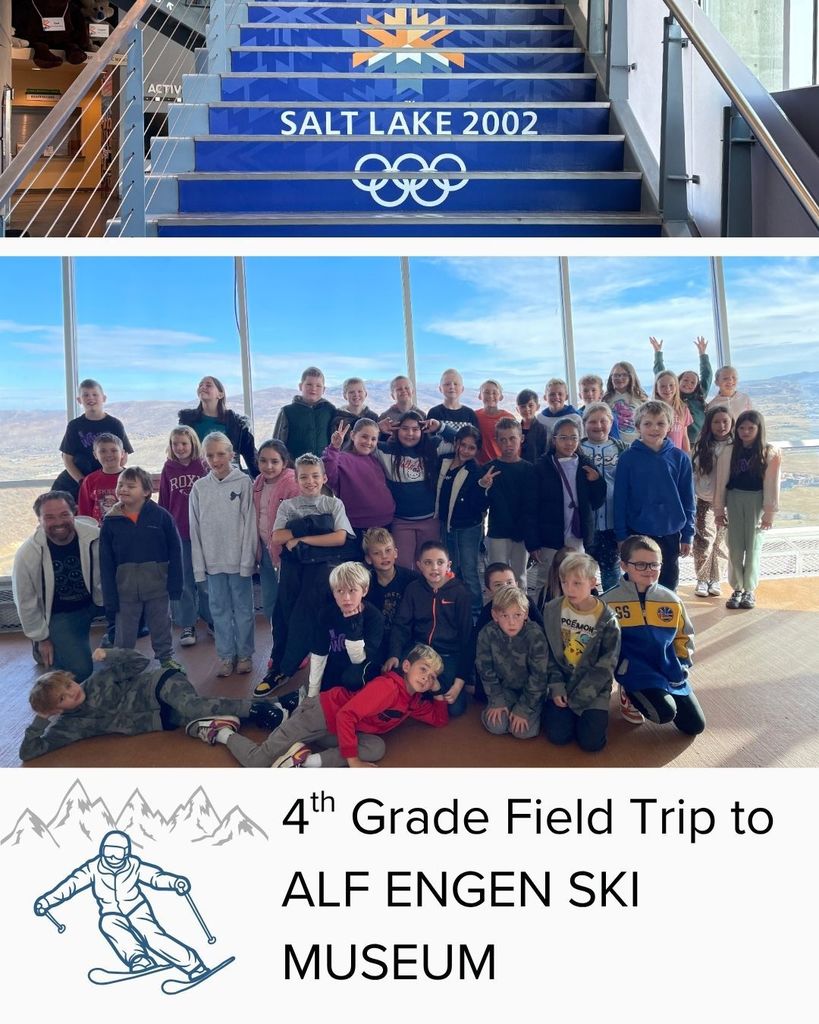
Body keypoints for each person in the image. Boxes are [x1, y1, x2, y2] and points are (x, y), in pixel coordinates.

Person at [190, 644, 449, 768]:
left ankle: (305, 761)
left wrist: (437, 691)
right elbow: (347, 714)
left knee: (377, 746)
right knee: (258, 762)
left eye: (433, 676)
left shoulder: (413, 700)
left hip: (339, 728)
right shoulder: (388, 688)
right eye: (423, 669)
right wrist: (354, 763)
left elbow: (439, 720)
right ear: (406, 667)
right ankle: (222, 731)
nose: (427, 677)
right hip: (322, 715)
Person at [19, 647, 280, 760]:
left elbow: (139, 663)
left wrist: (111, 655)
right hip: (161, 719)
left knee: (192, 707)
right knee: (199, 717)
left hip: (159, 685)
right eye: (62, 698)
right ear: (55, 710)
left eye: (68, 685)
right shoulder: (68, 727)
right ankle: (279, 702)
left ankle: (258, 709)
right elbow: (30, 751)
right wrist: (41, 719)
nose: (72, 692)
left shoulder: (97, 681)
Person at [33, 828, 210, 980]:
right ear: (102, 850)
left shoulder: (134, 866)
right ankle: (140, 959)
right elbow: (71, 885)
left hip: (136, 909)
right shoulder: (93, 868)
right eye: (108, 851)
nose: (112, 857)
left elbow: (155, 877)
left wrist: (174, 882)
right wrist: (46, 901)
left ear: (126, 852)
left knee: (152, 936)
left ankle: (194, 966)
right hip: (111, 913)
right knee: (108, 924)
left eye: (118, 852)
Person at [256, 452, 355, 695]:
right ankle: (277, 664)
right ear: (296, 480)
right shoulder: (288, 505)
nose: (309, 481)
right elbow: (277, 536)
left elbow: (340, 537)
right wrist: (314, 530)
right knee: (282, 614)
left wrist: (301, 536)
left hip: (321, 567)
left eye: (314, 476)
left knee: (303, 614)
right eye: (303, 477)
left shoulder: (333, 504)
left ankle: (286, 668)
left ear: (323, 478)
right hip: (293, 567)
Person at [603, 535, 706, 736]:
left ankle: (663, 691)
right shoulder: (608, 602)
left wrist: (682, 663)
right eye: (640, 565)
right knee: (664, 714)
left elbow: (684, 636)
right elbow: (601, 644)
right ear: (624, 566)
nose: (649, 570)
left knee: (695, 726)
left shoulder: (671, 600)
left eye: (654, 564)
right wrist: (617, 669)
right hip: (635, 671)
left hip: (669, 669)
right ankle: (628, 692)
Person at [12, 490, 103, 682]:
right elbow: (25, 601)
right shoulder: (28, 554)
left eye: (64, 515)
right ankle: (45, 644)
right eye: (49, 517)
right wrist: (41, 638)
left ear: (74, 513)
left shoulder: (96, 538)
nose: (58, 522)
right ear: (39, 520)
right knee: (81, 671)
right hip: (60, 614)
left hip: (95, 603)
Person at [100, 467, 183, 670]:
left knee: (161, 625)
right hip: (125, 591)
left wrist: (175, 584)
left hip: (158, 587)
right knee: (125, 631)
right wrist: (109, 596)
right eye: (121, 485)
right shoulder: (111, 522)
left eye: (131, 485)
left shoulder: (162, 517)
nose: (124, 489)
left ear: (146, 491)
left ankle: (166, 659)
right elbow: (105, 562)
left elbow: (175, 551)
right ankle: (122, 664)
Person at [189, 433, 257, 677]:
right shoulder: (199, 488)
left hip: (239, 561)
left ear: (231, 454)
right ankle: (226, 656)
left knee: (243, 608)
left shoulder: (244, 483)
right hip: (212, 561)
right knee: (218, 610)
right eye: (210, 455)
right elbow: (194, 528)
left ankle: (245, 654)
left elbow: (250, 523)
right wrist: (199, 566)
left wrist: (248, 560)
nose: (215, 459)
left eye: (220, 454)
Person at [613, 399, 695, 592]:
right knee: (638, 583)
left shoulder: (680, 458)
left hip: (670, 533)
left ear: (669, 426)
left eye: (660, 423)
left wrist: (688, 534)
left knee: (667, 584)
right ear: (638, 427)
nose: (654, 428)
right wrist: (621, 535)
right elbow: (620, 499)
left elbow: (688, 499)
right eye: (647, 423)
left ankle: (666, 621)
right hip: (638, 532)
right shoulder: (628, 459)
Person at [542, 552, 620, 752]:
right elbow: (549, 653)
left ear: (593, 582)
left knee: (591, 744)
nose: (568, 589)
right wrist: (557, 686)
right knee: (558, 737)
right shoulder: (552, 609)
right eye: (564, 582)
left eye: (577, 583)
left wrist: (579, 699)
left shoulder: (607, 618)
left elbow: (607, 664)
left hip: (593, 687)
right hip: (563, 680)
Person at [386, 540, 473, 717]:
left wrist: (459, 683)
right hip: (419, 651)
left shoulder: (460, 593)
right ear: (419, 565)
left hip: (448, 655)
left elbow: (468, 639)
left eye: (440, 562)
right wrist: (394, 654)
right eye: (428, 562)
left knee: (454, 708)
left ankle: (428, 692)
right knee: (392, 681)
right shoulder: (413, 589)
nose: (434, 568)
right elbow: (401, 625)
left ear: (448, 565)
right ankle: (423, 693)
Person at [713, 409, 781, 610]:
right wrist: (719, 511)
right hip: (734, 498)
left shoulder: (769, 452)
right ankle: (737, 588)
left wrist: (769, 513)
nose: (745, 431)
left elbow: (772, 484)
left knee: (753, 547)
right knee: (734, 547)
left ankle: (749, 589)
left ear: (759, 429)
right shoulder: (729, 450)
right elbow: (721, 481)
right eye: (741, 427)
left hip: (756, 501)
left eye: (750, 428)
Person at [530, 416, 606, 586]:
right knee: (547, 580)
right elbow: (531, 507)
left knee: (577, 578)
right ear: (554, 439)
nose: (569, 442)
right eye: (563, 438)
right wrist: (533, 542)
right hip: (550, 536)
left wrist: (596, 482)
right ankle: (545, 612)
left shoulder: (585, 464)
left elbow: (597, 502)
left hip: (577, 535)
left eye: (573, 437)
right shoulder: (541, 467)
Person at [158, 425, 210, 646]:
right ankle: (187, 623)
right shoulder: (168, 469)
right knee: (185, 579)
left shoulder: (204, 466)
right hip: (180, 533)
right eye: (175, 444)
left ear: (193, 444)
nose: (179, 448)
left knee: (206, 579)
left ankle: (212, 619)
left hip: (205, 532)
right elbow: (164, 502)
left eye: (184, 443)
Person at [375, 409, 445, 569]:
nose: (410, 433)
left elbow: (462, 440)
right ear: (396, 430)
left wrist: (440, 426)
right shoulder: (385, 450)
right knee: (402, 565)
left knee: (428, 565)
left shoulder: (434, 447)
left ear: (423, 430)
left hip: (430, 520)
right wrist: (377, 428)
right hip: (401, 521)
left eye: (415, 429)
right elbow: (355, 445)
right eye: (405, 428)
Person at [476, 585, 548, 739]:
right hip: (504, 690)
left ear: (526, 614)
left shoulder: (535, 636)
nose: (511, 622)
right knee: (497, 726)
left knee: (522, 732)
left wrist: (524, 708)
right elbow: (485, 670)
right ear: (495, 615)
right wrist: (496, 700)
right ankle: (504, 709)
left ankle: (532, 711)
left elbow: (539, 677)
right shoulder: (487, 634)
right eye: (504, 616)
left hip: (530, 692)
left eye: (517, 615)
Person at [305, 561, 384, 696]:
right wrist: (312, 692)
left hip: (364, 665)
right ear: (334, 592)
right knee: (324, 690)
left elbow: (358, 659)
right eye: (340, 591)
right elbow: (319, 652)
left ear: (364, 590)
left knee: (352, 680)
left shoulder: (374, 616)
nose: (346, 598)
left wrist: (354, 625)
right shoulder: (326, 614)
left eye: (352, 590)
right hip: (337, 662)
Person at [434, 424, 487, 618]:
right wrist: (440, 427)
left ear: (477, 450)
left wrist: (482, 486)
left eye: (471, 448)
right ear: (456, 444)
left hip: (468, 529)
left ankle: (475, 612)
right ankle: (454, 609)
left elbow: (479, 506)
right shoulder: (443, 462)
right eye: (462, 445)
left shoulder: (476, 471)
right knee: (451, 569)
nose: (465, 450)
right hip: (447, 526)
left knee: (469, 571)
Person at [478, 417, 536, 591]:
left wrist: (532, 536)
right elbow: (480, 506)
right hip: (497, 532)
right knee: (497, 579)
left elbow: (532, 505)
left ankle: (523, 615)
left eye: (512, 439)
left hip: (522, 532)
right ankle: (496, 615)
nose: (508, 444)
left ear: (521, 439)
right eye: (502, 440)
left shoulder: (529, 469)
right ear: (496, 441)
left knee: (519, 578)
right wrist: (483, 485)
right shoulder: (489, 469)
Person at [53, 378, 133, 499]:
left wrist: (109, 477)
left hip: (104, 480)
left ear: (104, 398)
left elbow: (123, 455)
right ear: (79, 400)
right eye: (86, 395)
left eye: (95, 394)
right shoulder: (75, 426)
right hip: (77, 479)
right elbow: (67, 458)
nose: (91, 398)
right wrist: (83, 482)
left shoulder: (114, 424)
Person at [323, 418, 395, 551]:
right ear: (352, 435)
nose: (369, 442)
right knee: (361, 568)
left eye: (373, 439)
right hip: (358, 525)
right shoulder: (342, 458)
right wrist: (334, 447)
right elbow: (329, 474)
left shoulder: (375, 459)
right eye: (364, 437)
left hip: (386, 522)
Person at [580, 402, 627, 592]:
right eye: (592, 421)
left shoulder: (623, 449)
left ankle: (611, 614)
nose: (598, 425)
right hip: (585, 525)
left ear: (611, 422)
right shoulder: (577, 449)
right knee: (583, 573)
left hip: (613, 524)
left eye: (603, 421)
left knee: (611, 574)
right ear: (584, 424)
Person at [253, 438, 300, 626]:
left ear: (285, 462)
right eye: (263, 461)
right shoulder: (258, 483)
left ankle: (292, 647)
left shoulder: (292, 484)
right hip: (265, 549)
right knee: (270, 599)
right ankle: (276, 642)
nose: (268, 466)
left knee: (289, 599)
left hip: (287, 552)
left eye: (274, 461)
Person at [690, 405, 733, 598]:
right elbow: (694, 474)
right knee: (704, 540)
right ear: (709, 424)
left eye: (725, 421)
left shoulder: (736, 446)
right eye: (716, 421)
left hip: (728, 500)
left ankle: (716, 578)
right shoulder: (702, 446)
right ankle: (702, 578)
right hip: (705, 500)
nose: (721, 425)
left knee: (721, 542)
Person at [361, 527, 420, 668]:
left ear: (396, 553)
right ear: (368, 559)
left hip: (407, 640)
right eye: (377, 553)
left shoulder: (412, 580)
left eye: (388, 550)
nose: (384, 556)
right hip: (376, 641)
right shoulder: (364, 584)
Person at [178, 375, 258, 476]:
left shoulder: (236, 423)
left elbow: (250, 455)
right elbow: (177, 449)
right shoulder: (187, 421)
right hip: (195, 478)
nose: (203, 387)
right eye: (200, 385)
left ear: (220, 394)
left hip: (228, 478)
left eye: (208, 385)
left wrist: (262, 478)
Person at [651, 335, 712, 445]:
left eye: (693, 382)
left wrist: (703, 355)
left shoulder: (700, 396)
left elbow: (707, 375)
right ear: (678, 382)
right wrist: (658, 354)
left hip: (699, 442)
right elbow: (661, 376)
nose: (688, 384)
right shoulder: (674, 398)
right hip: (678, 442)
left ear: (697, 386)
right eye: (685, 380)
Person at [273, 366, 337, 460]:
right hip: (295, 468)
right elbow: (277, 443)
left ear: (324, 389)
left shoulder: (330, 410)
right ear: (300, 386)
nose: (313, 388)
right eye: (309, 384)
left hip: (323, 468)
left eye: (318, 385)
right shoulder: (287, 411)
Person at [426, 368, 478, 455]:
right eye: (447, 384)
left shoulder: (470, 414)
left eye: (456, 384)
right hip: (440, 464)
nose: (452, 387)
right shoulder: (434, 413)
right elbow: (429, 443)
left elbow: (475, 443)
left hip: (464, 464)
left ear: (462, 389)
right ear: (440, 388)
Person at [77, 433, 125, 523]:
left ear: (122, 453)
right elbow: (84, 513)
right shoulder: (89, 480)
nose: (109, 455)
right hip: (98, 533)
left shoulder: (132, 478)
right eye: (103, 451)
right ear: (95, 455)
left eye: (114, 450)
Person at [603, 361, 648, 445]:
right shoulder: (606, 399)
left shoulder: (640, 399)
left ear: (631, 377)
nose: (619, 378)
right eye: (616, 375)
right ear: (611, 378)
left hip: (636, 443)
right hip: (614, 444)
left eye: (624, 375)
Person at [474, 379, 516, 464]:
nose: (490, 396)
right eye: (486, 392)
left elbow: (515, 445)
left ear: (501, 397)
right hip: (480, 466)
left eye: (494, 393)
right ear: (480, 396)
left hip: (503, 465)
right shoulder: (474, 416)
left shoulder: (509, 418)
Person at [652, 369, 692, 454]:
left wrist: (688, 456)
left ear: (676, 387)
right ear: (656, 389)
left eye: (671, 385)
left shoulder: (683, 409)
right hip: (657, 454)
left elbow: (684, 436)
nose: (667, 389)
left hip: (677, 456)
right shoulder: (651, 410)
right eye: (662, 386)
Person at [330, 377, 380, 442]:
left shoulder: (373, 417)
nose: (356, 394)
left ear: (366, 394)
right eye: (351, 392)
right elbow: (333, 443)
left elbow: (376, 441)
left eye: (359, 391)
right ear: (345, 396)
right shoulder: (338, 419)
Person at [535, 377, 583, 443]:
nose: (556, 397)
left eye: (560, 394)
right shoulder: (540, 418)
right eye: (552, 394)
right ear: (545, 397)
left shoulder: (575, 418)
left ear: (566, 397)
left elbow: (580, 441)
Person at [577, 374, 621, 440]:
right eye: (585, 391)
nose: (589, 394)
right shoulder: (577, 415)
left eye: (593, 390)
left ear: (601, 394)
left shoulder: (609, 415)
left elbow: (615, 440)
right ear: (580, 395)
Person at [516, 388, 549, 463]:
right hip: (518, 467)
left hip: (536, 469)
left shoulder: (542, 429)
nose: (527, 409)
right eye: (523, 406)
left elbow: (544, 453)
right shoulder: (515, 429)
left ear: (537, 407)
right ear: (517, 409)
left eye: (530, 405)